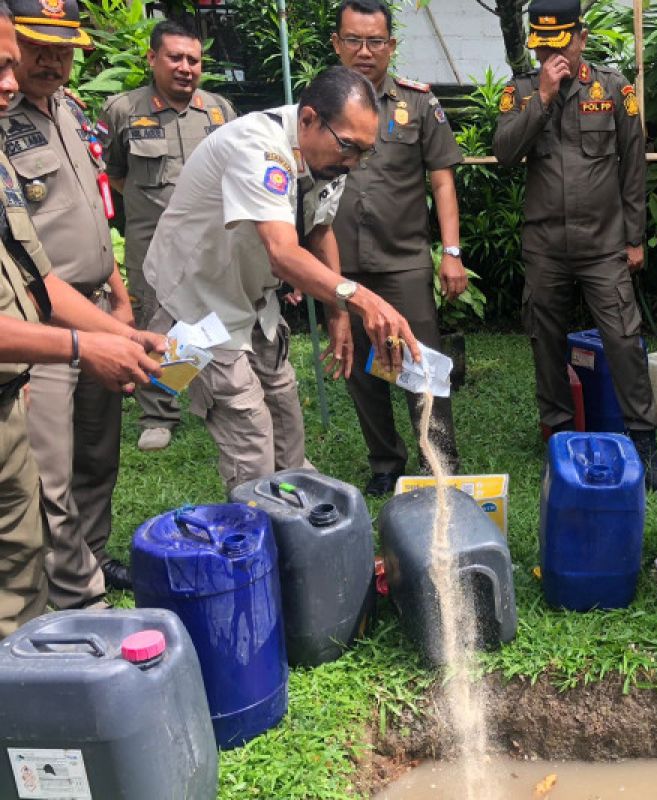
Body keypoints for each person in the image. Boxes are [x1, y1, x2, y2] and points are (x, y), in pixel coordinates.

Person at [143, 66, 421, 492]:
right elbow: (283, 253)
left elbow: (320, 230)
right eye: (349, 147)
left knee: (286, 412)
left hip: (252, 301)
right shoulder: (258, 147)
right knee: (248, 429)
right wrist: (363, 298)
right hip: (193, 306)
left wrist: (338, 313)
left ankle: (299, 521)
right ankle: (258, 536)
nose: (353, 162)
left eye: (364, 152)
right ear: (308, 119)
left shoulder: (330, 157)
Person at [0, 3, 165, 635]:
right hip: (37, 332)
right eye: (36, 47)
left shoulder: (69, 110)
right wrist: (77, 342)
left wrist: (119, 303)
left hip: (88, 306)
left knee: (97, 457)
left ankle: (88, 563)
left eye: (62, 49)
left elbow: (94, 206)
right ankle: (74, 596)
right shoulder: (5, 117)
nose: (49, 62)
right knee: (50, 471)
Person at [493, 0, 657, 492]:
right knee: (546, 342)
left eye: (560, 44)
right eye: (543, 45)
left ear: (581, 38)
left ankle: (643, 444)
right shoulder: (523, 90)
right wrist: (543, 98)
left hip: (604, 246)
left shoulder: (614, 89)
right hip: (546, 246)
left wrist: (633, 238)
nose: (552, 54)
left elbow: (634, 168)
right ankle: (559, 439)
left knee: (623, 339)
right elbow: (505, 151)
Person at [331, 0, 464, 495]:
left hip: (404, 261)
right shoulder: (320, 103)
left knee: (421, 362)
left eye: (375, 41)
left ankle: (441, 461)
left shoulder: (419, 103)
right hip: (340, 261)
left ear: (391, 45)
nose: (365, 52)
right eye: (354, 40)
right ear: (337, 43)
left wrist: (450, 253)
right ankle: (386, 461)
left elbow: (443, 182)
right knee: (358, 367)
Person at [99, 20, 237, 454]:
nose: (185, 67)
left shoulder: (220, 111)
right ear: (153, 59)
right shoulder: (122, 111)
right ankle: (158, 413)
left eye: (193, 60)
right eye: (175, 57)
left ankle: (216, 394)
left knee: (216, 320)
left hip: (213, 242)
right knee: (155, 322)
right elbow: (114, 174)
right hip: (151, 243)